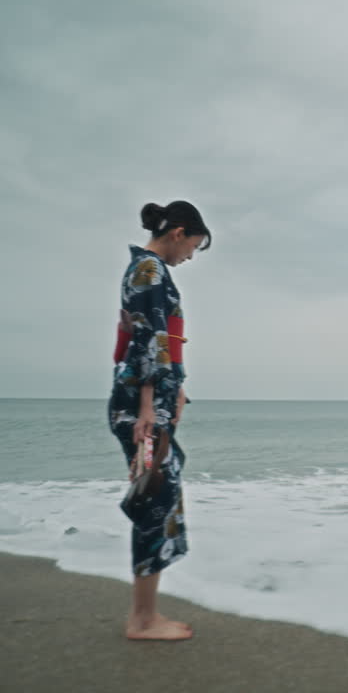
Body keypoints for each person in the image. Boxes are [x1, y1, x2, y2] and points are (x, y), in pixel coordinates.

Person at [107, 200, 211, 641]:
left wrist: (177, 387)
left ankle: (146, 615)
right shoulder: (149, 271)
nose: (190, 255)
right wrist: (149, 407)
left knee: (159, 496)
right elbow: (146, 338)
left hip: (150, 404)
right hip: (142, 408)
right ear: (178, 232)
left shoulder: (148, 270)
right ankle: (143, 620)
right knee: (154, 501)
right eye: (194, 246)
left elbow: (158, 338)